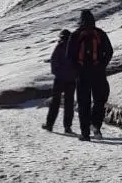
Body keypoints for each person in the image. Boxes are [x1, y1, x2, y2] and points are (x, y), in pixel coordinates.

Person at [66, 10, 113, 141]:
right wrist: (101, 65)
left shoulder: (75, 35)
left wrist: (76, 69)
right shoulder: (100, 33)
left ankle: (85, 133)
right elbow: (109, 51)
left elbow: (69, 56)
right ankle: (96, 125)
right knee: (100, 100)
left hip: (82, 75)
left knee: (83, 103)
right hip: (98, 73)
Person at [43, 29, 76, 133]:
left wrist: (57, 73)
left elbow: (53, 61)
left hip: (60, 79)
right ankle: (67, 127)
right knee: (69, 103)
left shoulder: (60, 46)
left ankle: (49, 124)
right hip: (71, 79)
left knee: (55, 102)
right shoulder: (75, 47)